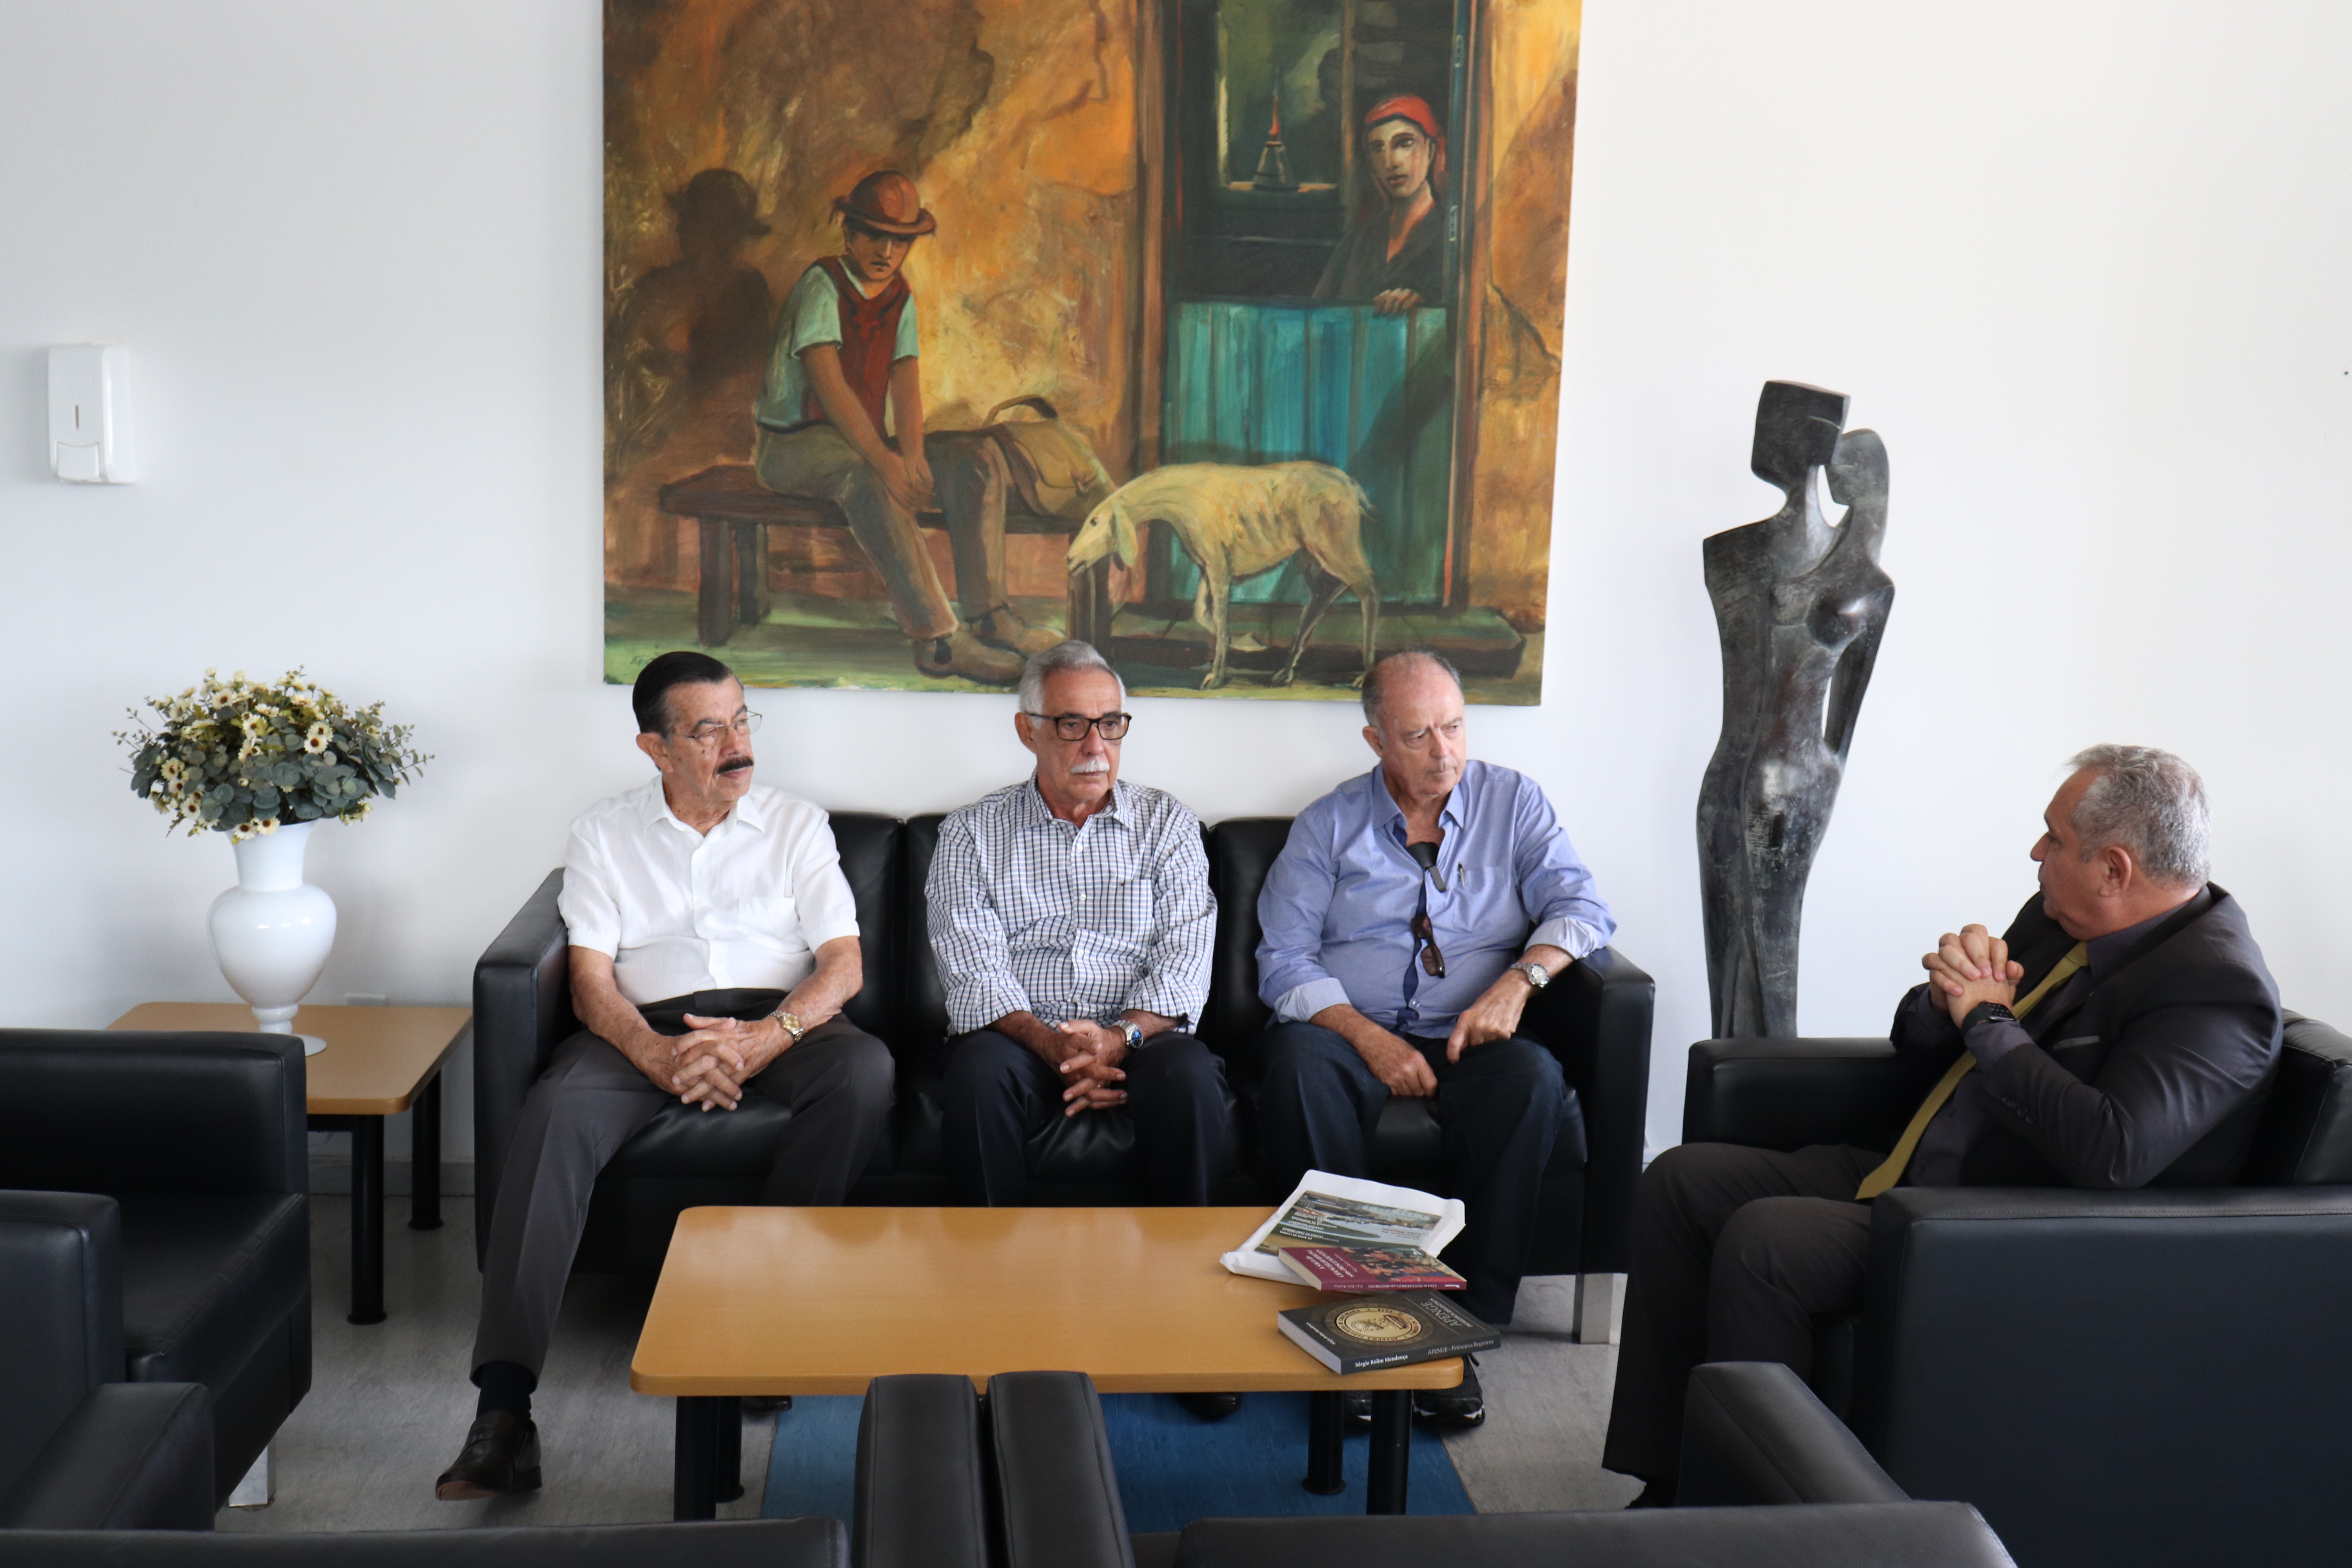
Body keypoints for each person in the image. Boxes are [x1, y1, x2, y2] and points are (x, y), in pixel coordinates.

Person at [1602, 745, 2283, 1506]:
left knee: (1769, 1240)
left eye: (2054, 838)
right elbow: (1920, 1043)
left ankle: (1760, 1519)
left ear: (2114, 869)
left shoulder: (2215, 990)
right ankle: (1671, 1480)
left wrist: (1989, 1021)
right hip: (1917, 1170)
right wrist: (1941, 1000)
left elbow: (2113, 1150)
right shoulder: (2060, 916)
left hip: (1999, 1226)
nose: (2036, 852)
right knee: (1679, 1182)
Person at [436, 650, 895, 1499]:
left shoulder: (797, 824)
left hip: (780, 1022)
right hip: (642, 1028)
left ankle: (763, 1328)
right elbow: (589, 982)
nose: (737, 744)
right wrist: (659, 1055)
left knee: (864, 1072)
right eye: (709, 729)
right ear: (655, 747)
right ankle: (503, 1412)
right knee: (554, 1114)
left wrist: (761, 1041)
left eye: (743, 720)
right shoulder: (603, 832)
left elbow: (843, 966)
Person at [1253, 650, 1616, 1428]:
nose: (1442, 751)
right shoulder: (1328, 823)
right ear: (1376, 738)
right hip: (1349, 1033)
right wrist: (1366, 1037)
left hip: (1472, 1032)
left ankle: (1458, 1330)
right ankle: (1349, 1314)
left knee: (1533, 1080)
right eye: (1417, 735)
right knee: (1296, 1065)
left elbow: (1582, 908)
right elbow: (1282, 960)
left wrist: (1520, 983)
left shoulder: (1515, 802)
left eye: (1453, 726)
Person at [927, 641, 1236, 1414]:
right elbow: (973, 968)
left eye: (1111, 722)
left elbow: (1185, 962)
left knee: (1193, 1078)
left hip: (1140, 1037)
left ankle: (1191, 1322)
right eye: (1072, 723)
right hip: (1019, 1036)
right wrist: (1055, 1045)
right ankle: (996, 1324)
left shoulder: (1167, 825)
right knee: (974, 1077)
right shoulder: (971, 832)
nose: (1096, 744)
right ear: (1028, 730)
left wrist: (1116, 1040)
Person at [752, 170, 1053, 685]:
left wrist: (912, 456)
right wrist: (887, 462)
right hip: (793, 445)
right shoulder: (821, 285)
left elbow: (905, 380)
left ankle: (990, 615)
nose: (886, 251)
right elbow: (830, 386)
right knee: (870, 477)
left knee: (974, 459)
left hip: (857, 440)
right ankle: (937, 641)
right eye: (874, 235)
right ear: (850, 233)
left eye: (899, 240)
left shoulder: (900, 296)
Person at [1313, 95, 1448, 315]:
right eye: (1378, 148)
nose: (1390, 162)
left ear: (1431, 150)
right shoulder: (1358, 240)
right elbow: (1318, 312)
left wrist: (1424, 308)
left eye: (1404, 144)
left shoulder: (1450, 237)